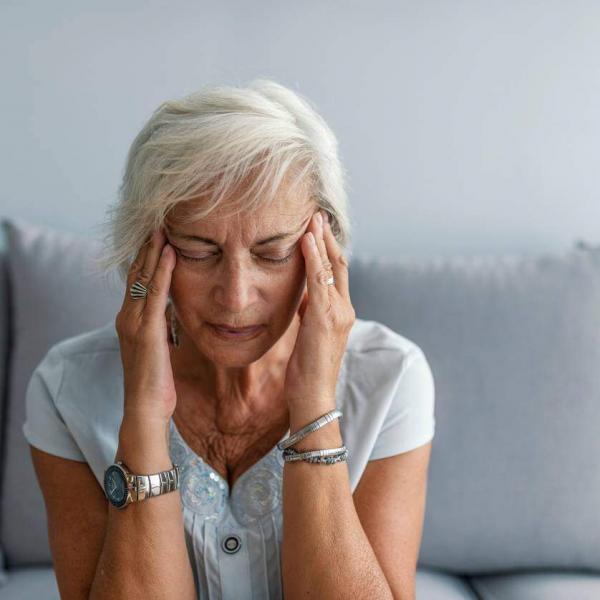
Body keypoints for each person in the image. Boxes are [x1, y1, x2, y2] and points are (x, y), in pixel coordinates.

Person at [23, 78, 436, 599]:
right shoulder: (66, 389)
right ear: (144, 249)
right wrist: (145, 416)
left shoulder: (391, 377)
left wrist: (312, 406)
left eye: (273, 252)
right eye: (198, 251)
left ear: (324, 247)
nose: (236, 297)